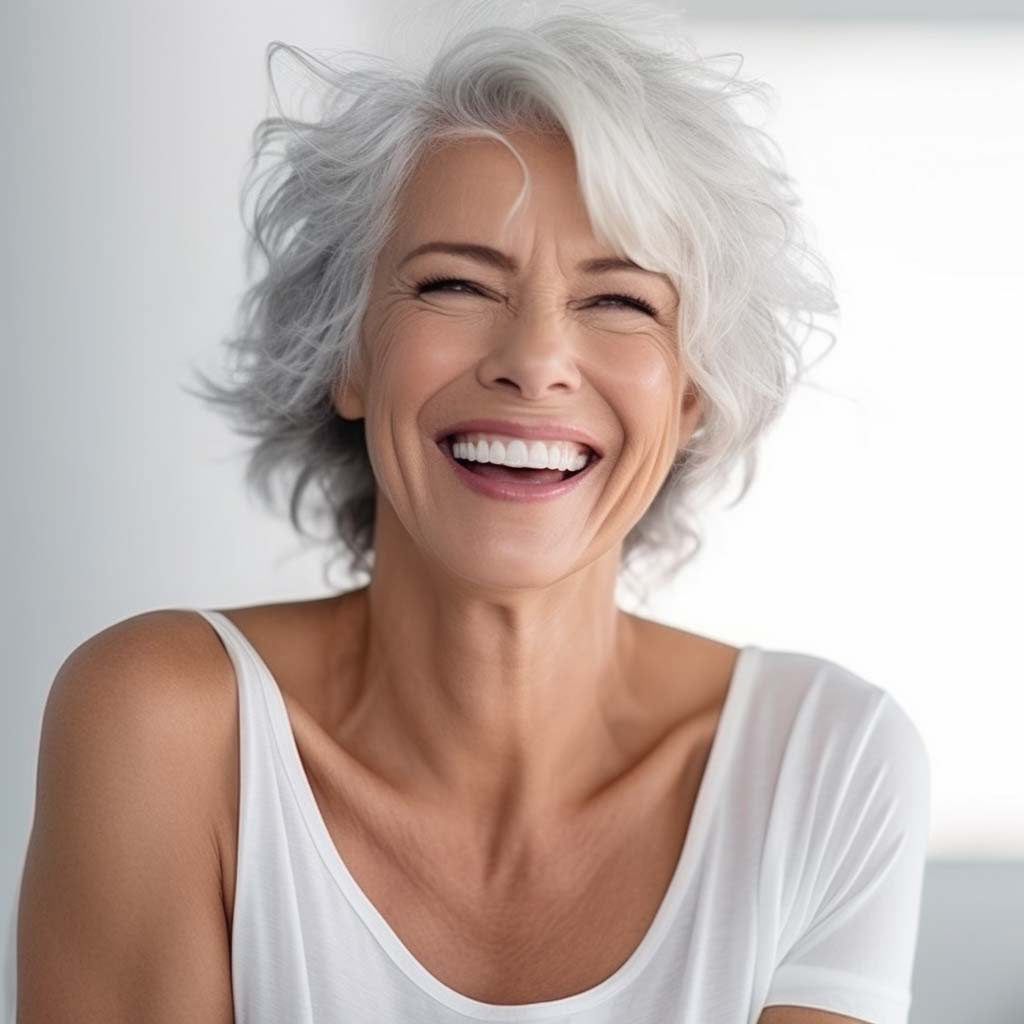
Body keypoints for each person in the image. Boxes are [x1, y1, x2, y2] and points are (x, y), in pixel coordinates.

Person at [16, 3, 931, 1022]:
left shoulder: (827, 764)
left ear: (689, 395)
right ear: (349, 355)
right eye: (454, 283)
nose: (533, 361)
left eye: (620, 300)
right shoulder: (165, 725)